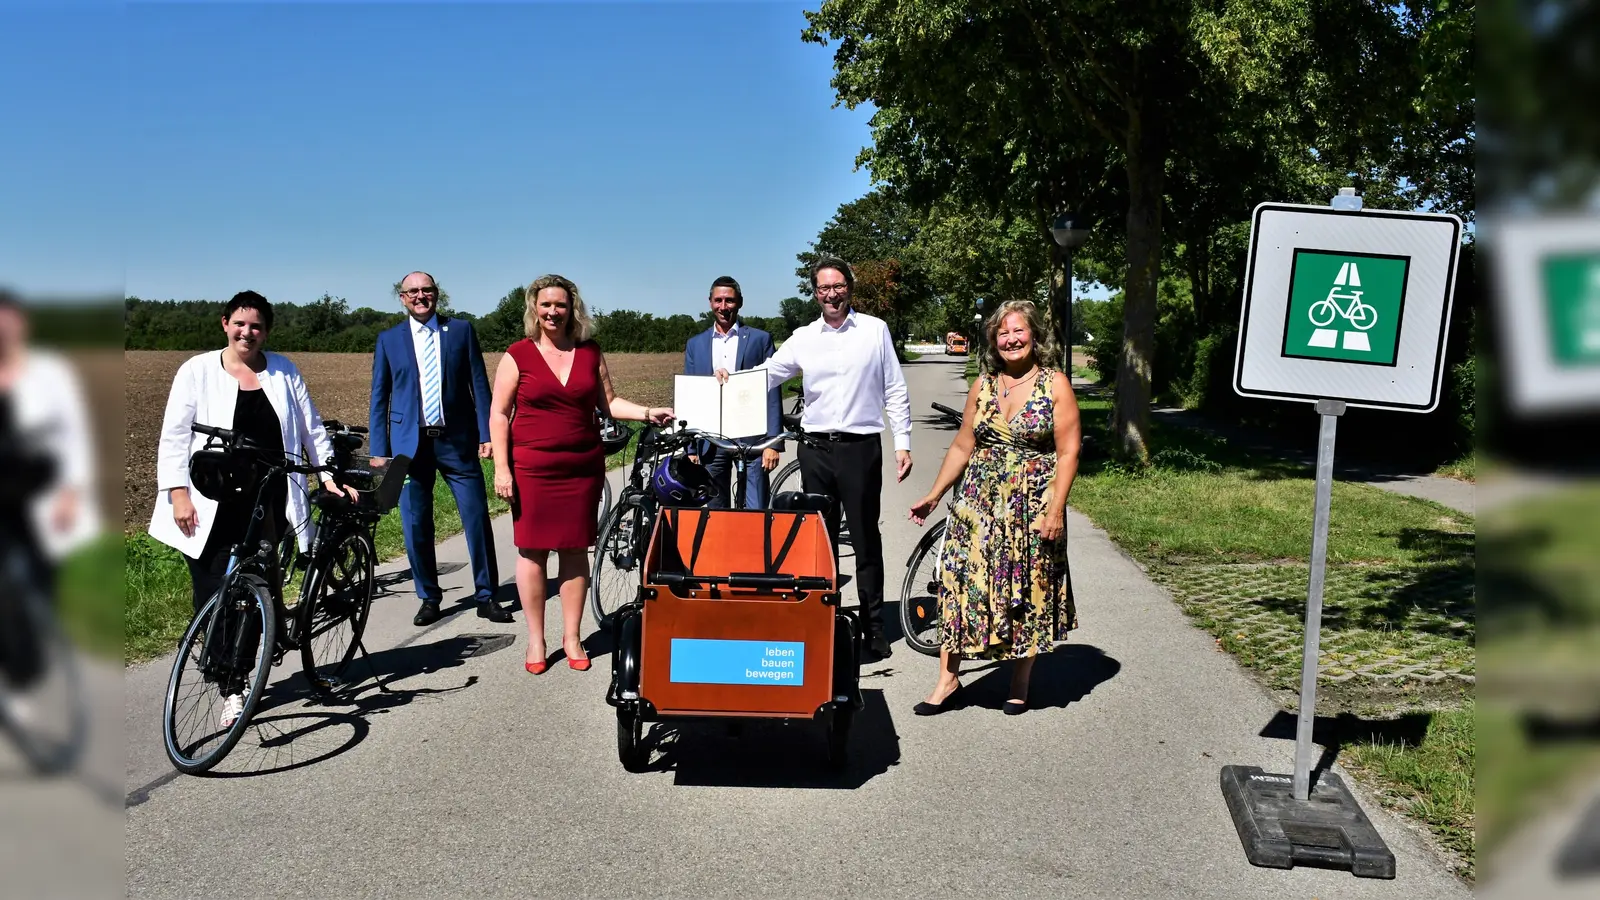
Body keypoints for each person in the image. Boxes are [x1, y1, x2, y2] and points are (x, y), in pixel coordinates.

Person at [149, 291, 353, 726]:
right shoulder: (197, 371)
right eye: (240, 324)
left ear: (266, 331)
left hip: (268, 498)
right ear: (225, 323)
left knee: (256, 589)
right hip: (210, 499)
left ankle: (237, 683)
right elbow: (174, 435)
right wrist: (176, 493)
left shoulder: (283, 370)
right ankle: (226, 667)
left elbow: (310, 427)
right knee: (214, 592)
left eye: (256, 326)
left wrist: (328, 474)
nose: (248, 333)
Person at [718, 257, 911, 661]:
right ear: (816, 293)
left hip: (860, 449)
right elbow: (769, 373)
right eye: (823, 288)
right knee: (819, 541)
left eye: (837, 286)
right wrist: (729, 379)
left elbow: (894, 388)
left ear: (849, 288)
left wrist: (902, 442)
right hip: (816, 451)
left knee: (864, 538)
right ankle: (825, 622)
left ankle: (875, 628)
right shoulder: (804, 336)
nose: (831, 294)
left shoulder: (875, 331)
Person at [489, 274, 673, 675]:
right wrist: (502, 468)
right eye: (546, 305)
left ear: (572, 308)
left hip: (581, 468)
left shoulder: (590, 352)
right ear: (534, 309)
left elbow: (608, 402)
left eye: (560, 305)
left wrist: (646, 412)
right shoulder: (517, 354)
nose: (553, 312)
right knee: (532, 551)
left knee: (575, 551)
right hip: (532, 469)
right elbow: (499, 414)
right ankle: (535, 638)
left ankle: (571, 636)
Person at [907, 299, 1081, 716]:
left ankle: (1019, 680)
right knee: (959, 583)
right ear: (993, 341)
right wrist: (933, 495)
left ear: (1035, 336)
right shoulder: (984, 385)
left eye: (1018, 331)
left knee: (1027, 588)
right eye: (1003, 333)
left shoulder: (1054, 383)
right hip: (978, 504)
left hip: (1031, 505)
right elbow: (965, 444)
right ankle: (948, 679)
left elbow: (1069, 451)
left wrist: (1056, 509)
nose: (1011, 339)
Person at [369, 271, 511, 627]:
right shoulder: (389, 340)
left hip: (457, 442)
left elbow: (479, 384)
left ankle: (487, 595)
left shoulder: (460, 331)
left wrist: (487, 433)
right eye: (412, 291)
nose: (420, 296)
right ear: (402, 298)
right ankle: (429, 597)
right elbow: (380, 397)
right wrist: (379, 450)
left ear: (437, 294)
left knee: (476, 516)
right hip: (409, 446)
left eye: (426, 290)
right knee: (416, 523)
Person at [0, 291, 100, 704]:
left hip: (39, 496)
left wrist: (71, 495)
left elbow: (76, 436)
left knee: (32, 589)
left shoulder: (49, 372)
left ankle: (25, 679)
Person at [682, 275, 781, 508]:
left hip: (752, 438)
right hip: (711, 440)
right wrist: (690, 447)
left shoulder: (761, 339)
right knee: (715, 510)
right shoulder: (695, 344)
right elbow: (691, 396)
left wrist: (773, 443)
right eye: (718, 300)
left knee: (756, 509)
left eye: (729, 301)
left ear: (740, 302)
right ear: (710, 302)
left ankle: (755, 545)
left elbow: (772, 392)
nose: (723, 307)